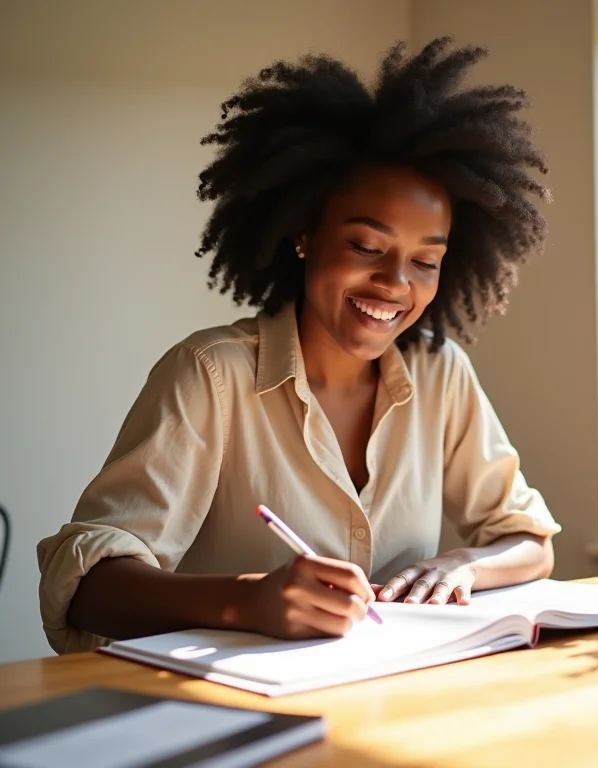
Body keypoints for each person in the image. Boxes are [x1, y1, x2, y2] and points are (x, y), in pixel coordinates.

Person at [37, 36, 561, 655]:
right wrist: (247, 600)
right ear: (304, 235)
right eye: (367, 247)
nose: (396, 284)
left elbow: (530, 541)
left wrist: (464, 566)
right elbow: (87, 586)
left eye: (425, 260)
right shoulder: (211, 374)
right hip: (231, 714)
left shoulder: (441, 373)